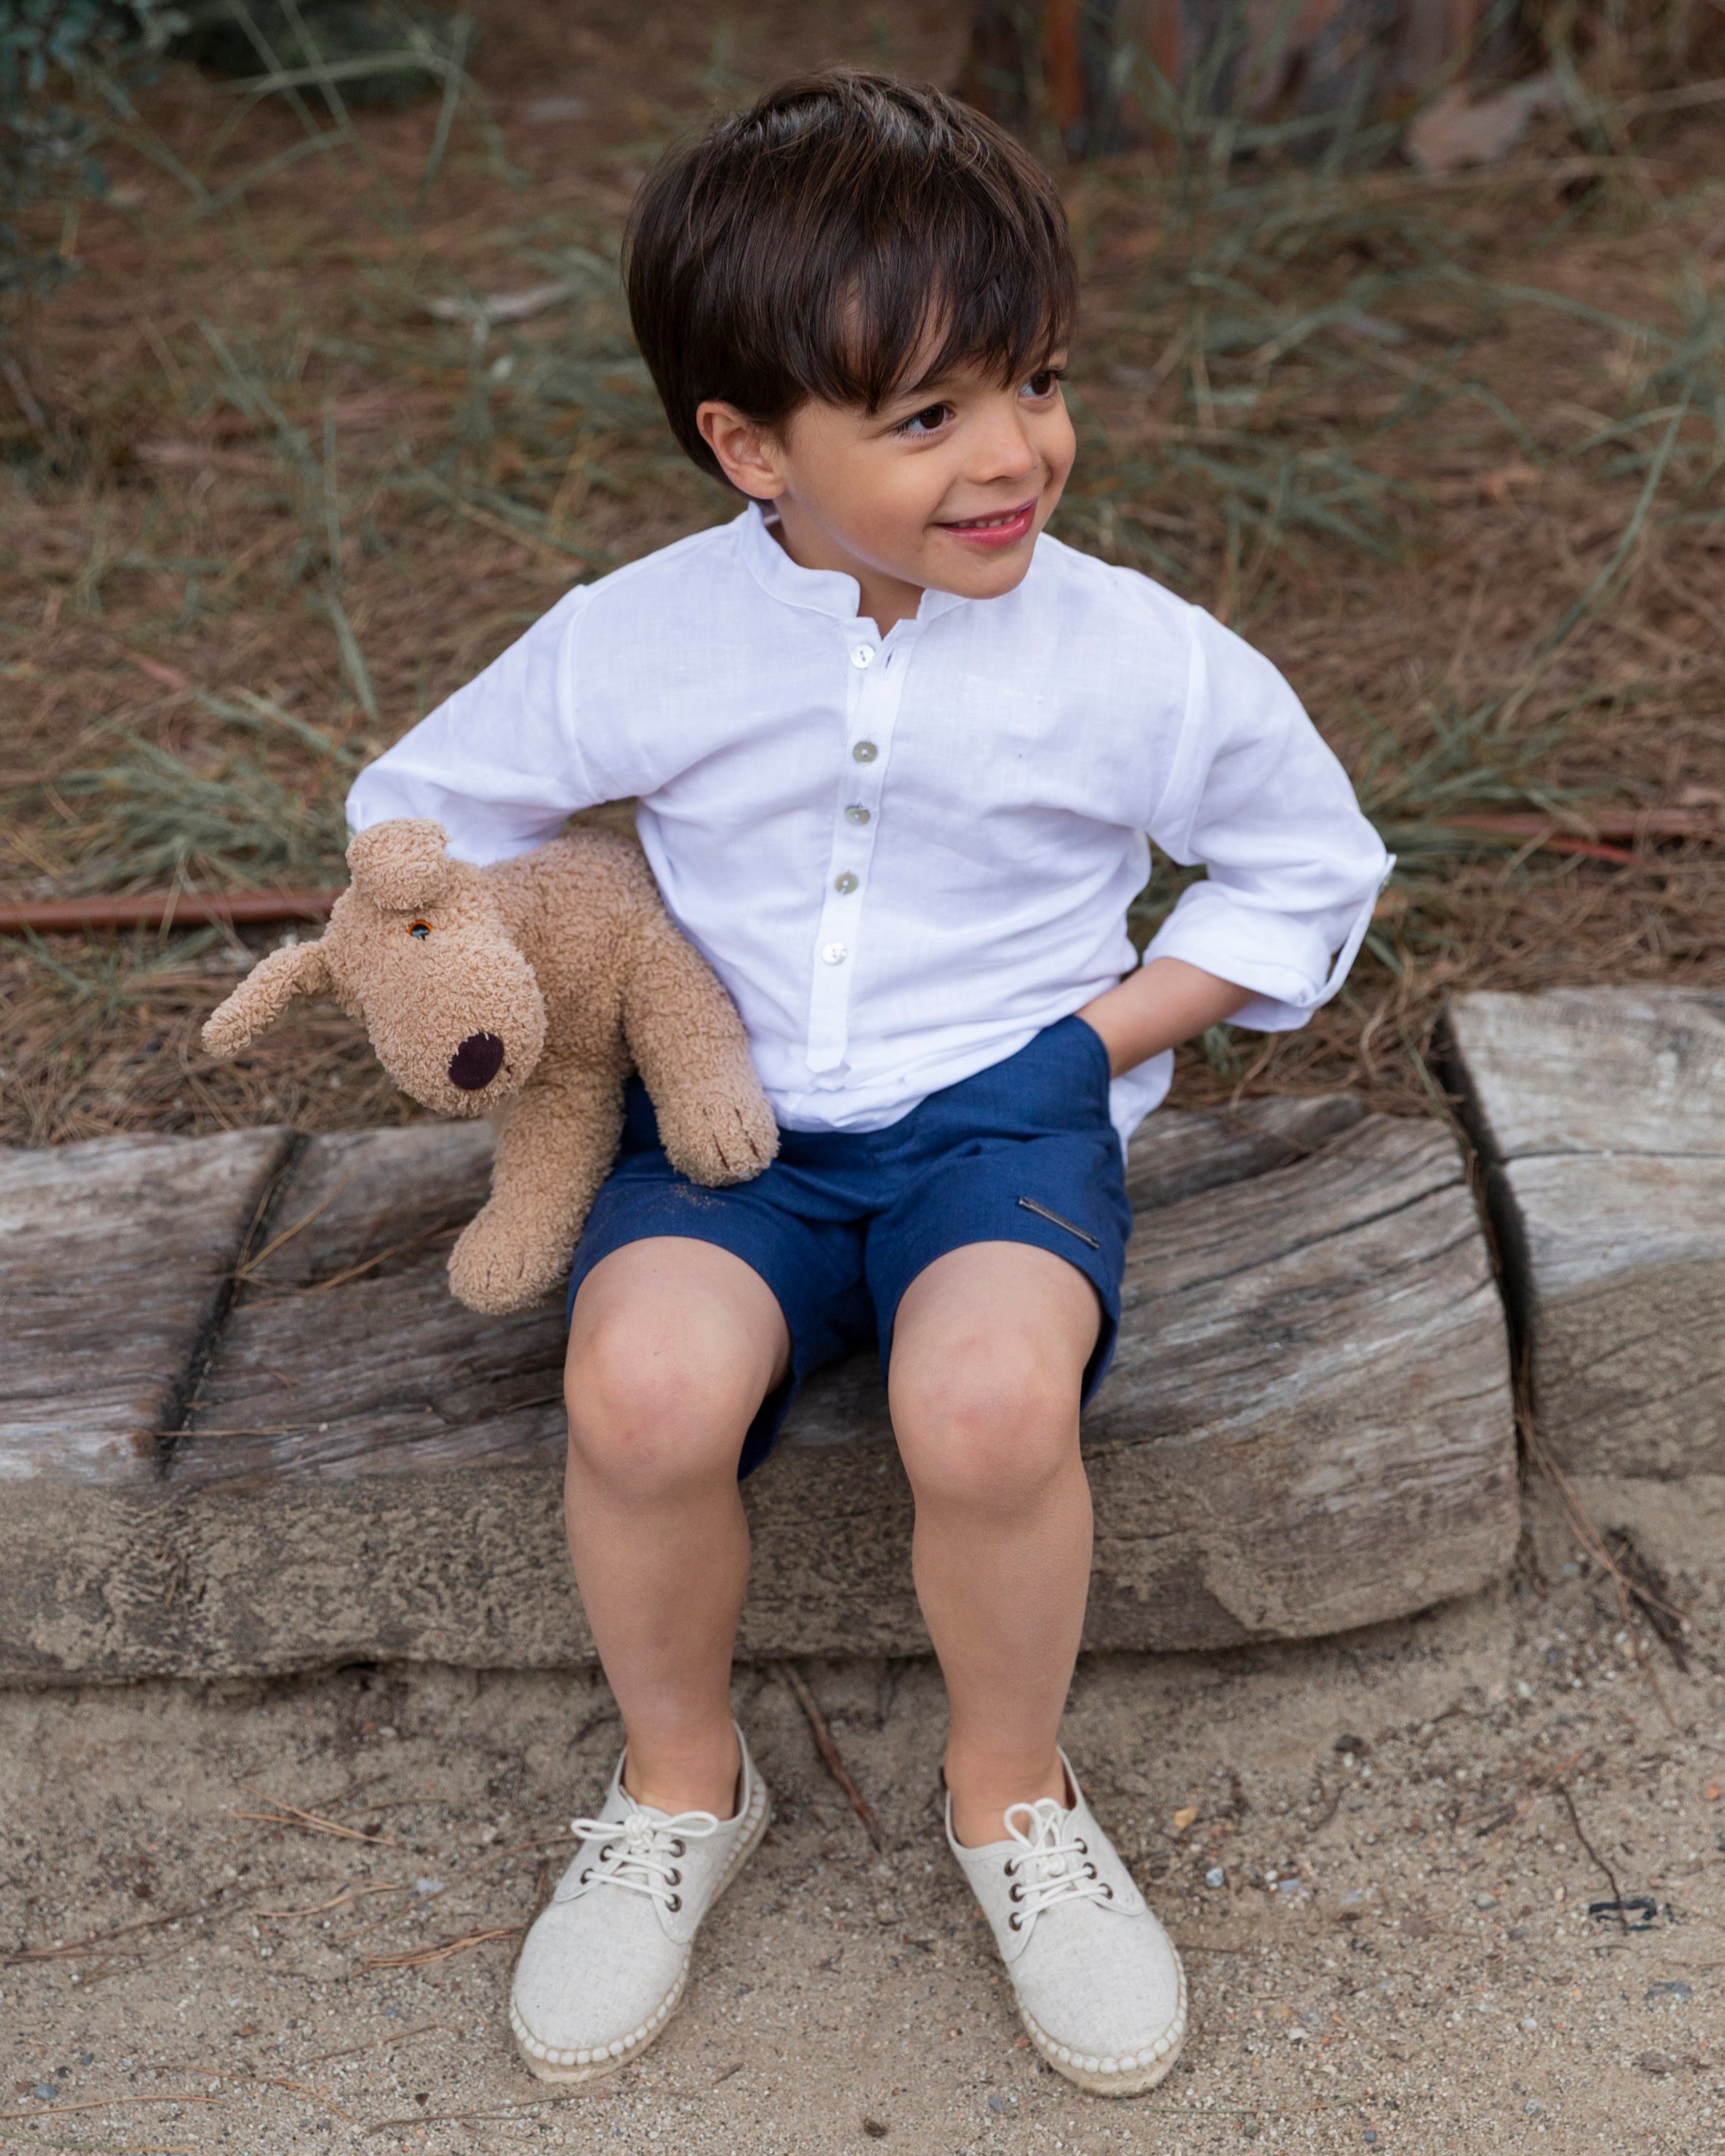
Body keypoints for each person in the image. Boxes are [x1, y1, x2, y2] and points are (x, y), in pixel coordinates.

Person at [346, 69, 1389, 2098]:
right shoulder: (637, 638)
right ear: (749, 445)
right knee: (638, 1390)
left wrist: (1089, 1041)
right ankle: (679, 1783)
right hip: (724, 1118)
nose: (1014, 454)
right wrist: (547, 939)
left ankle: (1009, 1797)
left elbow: (1307, 863)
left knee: (985, 1403)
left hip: (995, 1110)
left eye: (1036, 382)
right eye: (924, 418)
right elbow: (419, 816)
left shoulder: (1136, 657)